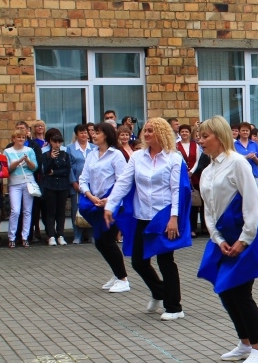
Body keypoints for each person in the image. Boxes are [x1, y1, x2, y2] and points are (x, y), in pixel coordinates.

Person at [197, 115, 258, 363]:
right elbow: (209, 210)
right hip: (223, 238)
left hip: (245, 237)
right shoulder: (207, 171)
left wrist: (244, 239)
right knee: (225, 291)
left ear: (218, 136)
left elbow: (252, 203)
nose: (200, 141)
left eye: (205, 136)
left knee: (241, 292)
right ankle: (244, 343)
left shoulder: (238, 163)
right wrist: (217, 239)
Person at [104, 117, 191, 321]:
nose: (146, 133)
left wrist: (174, 217)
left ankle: (174, 307)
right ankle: (159, 292)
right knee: (138, 261)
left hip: (164, 215)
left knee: (165, 260)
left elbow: (177, 189)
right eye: (146, 130)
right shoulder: (137, 157)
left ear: (161, 133)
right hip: (142, 215)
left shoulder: (174, 158)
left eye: (151, 130)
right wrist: (110, 205)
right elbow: (124, 182)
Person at [78, 122, 130, 293]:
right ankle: (116, 274)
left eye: (97, 132)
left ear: (106, 135)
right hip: (95, 203)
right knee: (99, 242)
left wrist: (109, 199)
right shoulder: (92, 155)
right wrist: (90, 196)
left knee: (107, 240)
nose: (93, 135)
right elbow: (83, 179)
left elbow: (122, 181)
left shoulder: (116, 155)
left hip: (112, 205)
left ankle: (123, 279)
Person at [4, 129, 39, 248]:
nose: (21, 140)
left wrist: (27, 160)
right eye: (18, 137)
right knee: (15, 211)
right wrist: (18, 161)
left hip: (28, 182)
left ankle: (25, 237)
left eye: (23, 138)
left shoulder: (29, 150)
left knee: (27, 211)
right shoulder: (7, 151)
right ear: (13, 139)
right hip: (14, 183)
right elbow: (7, 169)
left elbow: (35, 167)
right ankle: (12, 237)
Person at [41, 132, 72, 246]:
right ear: (50, 142)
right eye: (55, 142)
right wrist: (51, 160)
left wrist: (54, 172)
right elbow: (45, 171)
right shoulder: (46, 155)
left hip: (63, 186)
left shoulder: (65, 155)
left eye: (59, 142)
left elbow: (67, 170)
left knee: (61, 211)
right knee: (51, 211)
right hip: (50, 186)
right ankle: (51, 235)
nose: (57, 144)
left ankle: (60, 234)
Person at [176, 124, 203, 238]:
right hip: (181, 177)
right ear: (179, 133)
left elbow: (198, 160)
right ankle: (182, 227)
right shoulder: (176, 145)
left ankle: (192, 228)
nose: (184, 134)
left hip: (194, 177)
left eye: (186, 132)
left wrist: (191, 171)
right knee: (182, 202)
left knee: (194, 204)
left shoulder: (195, 145)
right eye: (182, 132)